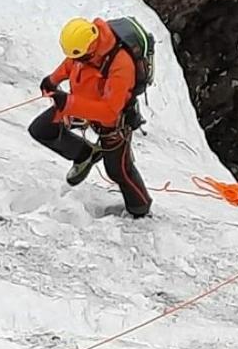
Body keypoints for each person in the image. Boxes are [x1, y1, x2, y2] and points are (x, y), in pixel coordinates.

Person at [29, 17, 152, 218]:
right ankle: (85, 154)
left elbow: (110, 111)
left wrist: (68, 103)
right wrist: (53, 80)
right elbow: (72, 62)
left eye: (82, 57)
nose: (78, 61)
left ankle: (140, 208)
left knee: (118, 171)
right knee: (41, 129)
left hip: (112, 123)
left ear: (92, 48)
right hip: (80, 103)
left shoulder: (121, 64)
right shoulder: (86, 50)